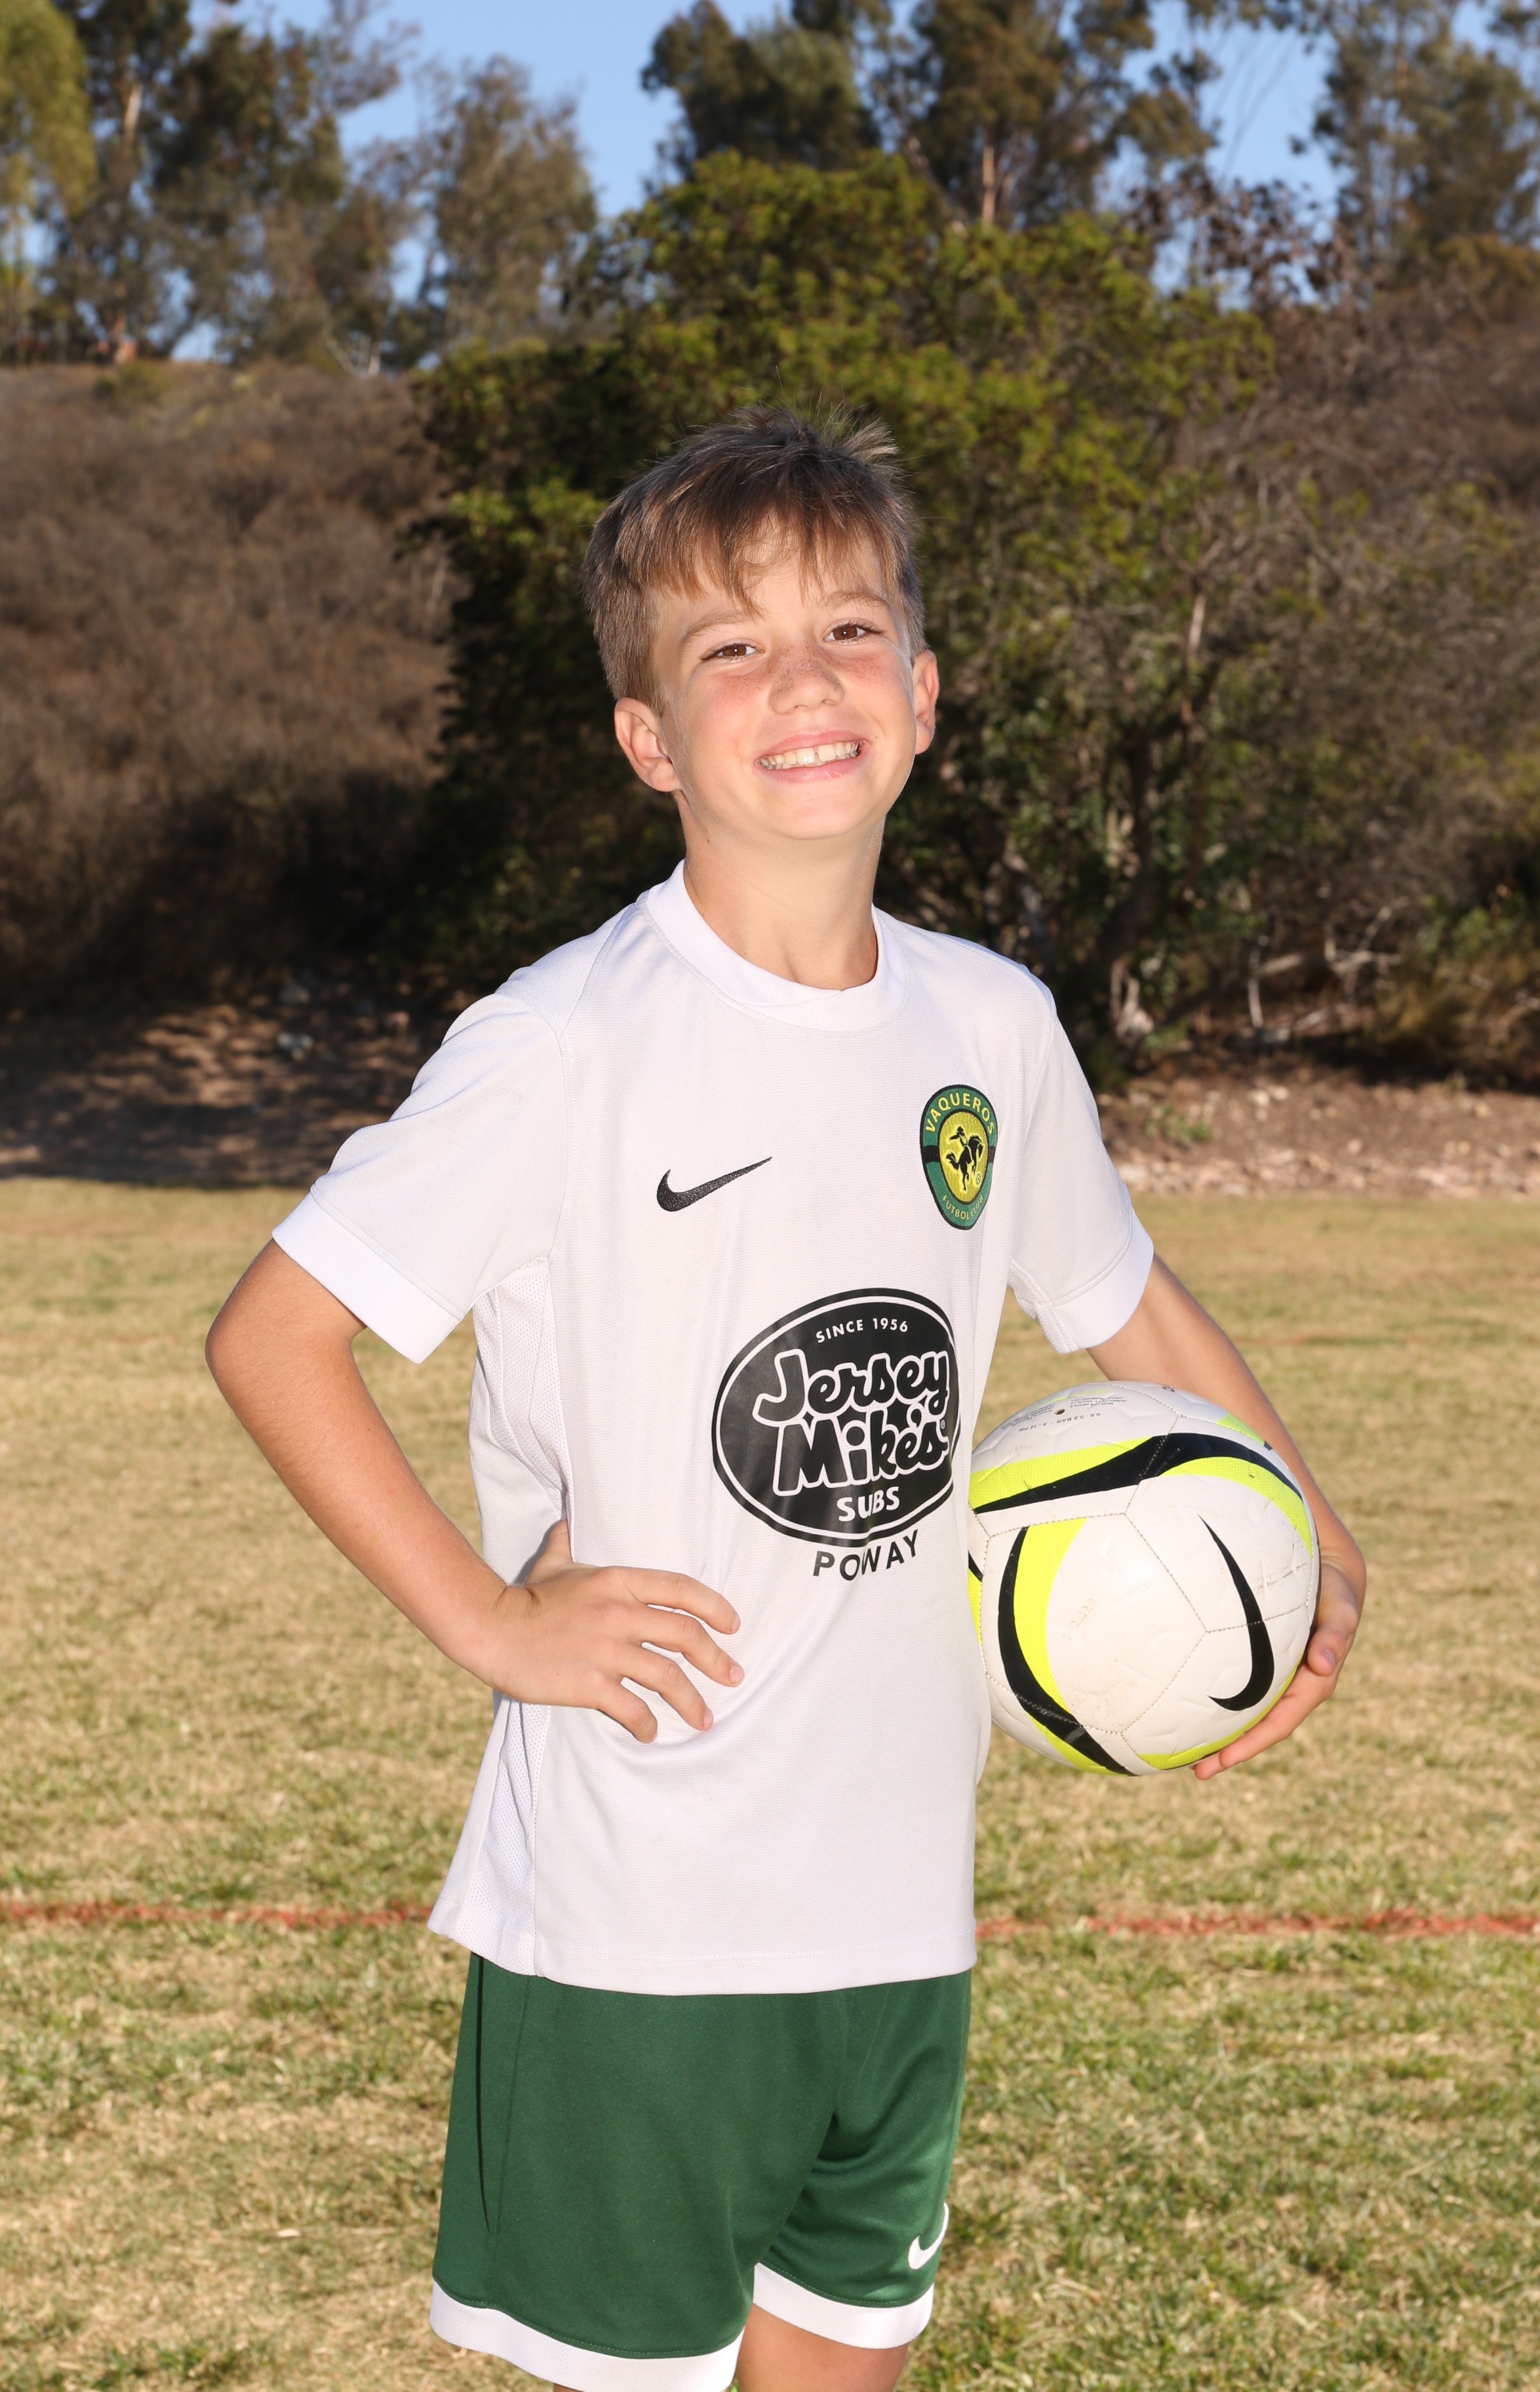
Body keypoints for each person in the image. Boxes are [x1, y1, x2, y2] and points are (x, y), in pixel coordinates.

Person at [205, 408, 1365, 2392]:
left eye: (846, 631)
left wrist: (1304, 1537)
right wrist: (492, 1622)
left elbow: (1125, 1301)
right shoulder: (569, 1035)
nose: (803, 681)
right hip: (643, 1908)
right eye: (730, 649)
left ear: (923, 694)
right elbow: (274, 1335)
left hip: (901, 1903)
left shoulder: (991, 1025)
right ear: (649, 737)